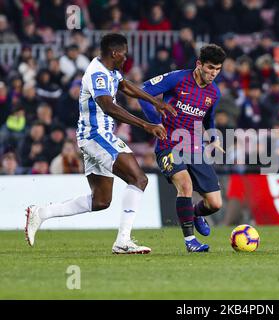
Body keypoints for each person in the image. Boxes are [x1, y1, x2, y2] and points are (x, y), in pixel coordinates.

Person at [25, 33, 177, 254]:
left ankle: (41, 213)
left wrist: (155, 101)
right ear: (114, 53)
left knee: (101, 201)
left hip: (93, 137)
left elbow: (124, 86)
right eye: (124, 54)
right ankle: (123, 241)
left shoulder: (110, 70)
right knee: (139, 178)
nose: (126, 58)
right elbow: (108, 106)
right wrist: (145, 125)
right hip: (97, 136)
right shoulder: (97, 74)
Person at [139, 44, 226, 252]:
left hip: (194, 148)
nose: (213, 73)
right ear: (199, 64)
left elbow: (209, 118)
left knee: (215, 204)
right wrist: (154, 121)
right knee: (185, 185)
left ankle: (194, 214)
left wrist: (214, 137)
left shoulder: (214, 93)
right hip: (168, 144)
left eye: (218, 69)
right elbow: (143, 91)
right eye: (210, 68)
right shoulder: (177, 78)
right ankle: (190, 242)